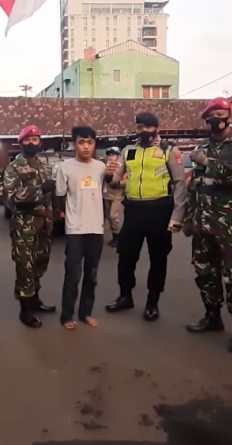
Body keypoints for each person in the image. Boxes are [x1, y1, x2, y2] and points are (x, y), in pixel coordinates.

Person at [183, 97, 232, 355]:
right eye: (212, 115)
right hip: (203, 224)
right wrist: (189, 218)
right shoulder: (203, 146)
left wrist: (206, 162)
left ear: (230, 116)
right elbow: (196, 185)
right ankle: (212, 317)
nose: (217, 119)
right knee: (205, 274)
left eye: (221, 113)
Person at [104, 112, 187, 322]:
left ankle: (152, 302)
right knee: (125, 256)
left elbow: (180, 184)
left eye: (146, 127)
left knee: (158, 258)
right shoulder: (128, 151)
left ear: (156, 128)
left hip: (159, 211)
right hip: (133, 211)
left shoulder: (169, 150)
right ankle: (125, 296)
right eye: (139, 127)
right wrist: (109, 174)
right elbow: (115, 181)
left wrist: (177, 215)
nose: (142, 131)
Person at [4, 125, 57, 328]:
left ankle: (35, 300)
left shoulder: (43, 166)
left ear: (40, 142)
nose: (32, 143)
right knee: (25, 267)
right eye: (28, 140)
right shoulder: (14, 167)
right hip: (24, 226)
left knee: (39, 264)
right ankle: (25, 310)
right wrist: (39, 190)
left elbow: (50, 197)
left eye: (35, 140)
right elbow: (13, 197)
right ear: (21, 143)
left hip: (44, 224)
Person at [55, 126, 106, 330]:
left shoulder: (101, 167)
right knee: (73, 275)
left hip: (96, 228)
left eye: (90, 142)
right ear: (74, 144)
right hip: (75, 229)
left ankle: (86, 313)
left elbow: (108, 189)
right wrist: (66, 217)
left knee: (91, 274)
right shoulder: (65, 167)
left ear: (95, 144)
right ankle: (66, 315)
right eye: (81, 142)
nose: (86, 147)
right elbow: (60, 196)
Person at [102, 146, 125, 248]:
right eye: (109, 155)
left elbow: (127, 180)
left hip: (117, 195)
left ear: (118, 156)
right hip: (107, 195)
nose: (111, 157)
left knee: (114, 216)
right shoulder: (105, 166)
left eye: (113, 155)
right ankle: (114, 237)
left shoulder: (121, 166)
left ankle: (119, 237)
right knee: (109, 217)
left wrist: (118, 183)